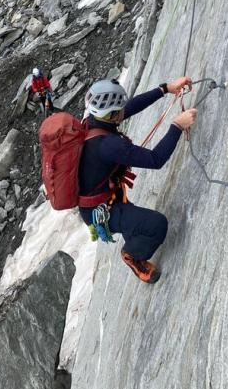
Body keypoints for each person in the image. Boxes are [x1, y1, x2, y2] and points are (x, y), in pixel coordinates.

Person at [78, 77, 197, 283]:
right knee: (156, 225)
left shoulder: (93, 123)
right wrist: (177, 126)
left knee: (133, 221)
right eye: (120, 109)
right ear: (112, 115)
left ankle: (133, 232)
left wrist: (165, 89)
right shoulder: (108, 145)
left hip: (103, 197)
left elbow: (130, 107)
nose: (124, 110)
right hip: (101, 210)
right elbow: (155, 159)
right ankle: (134, 255)